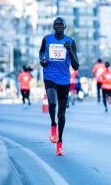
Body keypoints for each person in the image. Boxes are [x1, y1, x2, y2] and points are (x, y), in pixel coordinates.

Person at [39, 16, 79, 156]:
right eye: (56, 24)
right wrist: (42, 61)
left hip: (64, 80)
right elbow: (41, 52)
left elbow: (76, 66)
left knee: (61, 114)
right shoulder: (47, 39)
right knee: (52, 103)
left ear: (64, 26)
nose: (58, 26)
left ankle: (60, 143)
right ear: (53, 26)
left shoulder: (70, 41)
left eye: (61, 24)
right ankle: (52, 125)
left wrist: (70, 50)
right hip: (49, 76)